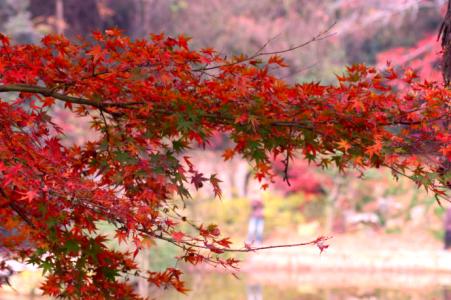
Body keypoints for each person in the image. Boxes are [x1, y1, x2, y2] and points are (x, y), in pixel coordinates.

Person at [247, 179, 265, 245]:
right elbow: (253, 205)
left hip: (260, 216)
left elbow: (262, 205)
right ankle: (249, 240)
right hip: (254, 216)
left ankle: (258, 241)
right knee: (252, 229)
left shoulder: (261, 197)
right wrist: (257, 199)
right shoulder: (253, 198)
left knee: (259, 230)